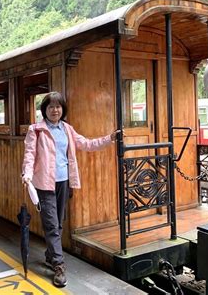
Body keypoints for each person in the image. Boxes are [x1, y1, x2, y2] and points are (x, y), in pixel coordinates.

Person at [21, 92, 120, 288]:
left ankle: (50, 255)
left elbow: (87, 144)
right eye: (51, 107)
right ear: (45, 110)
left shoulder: (67, 129)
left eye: (58, 107)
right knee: (51, 224)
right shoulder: (36, 130)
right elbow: (30, 154)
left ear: (62, 109)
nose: (55, 110)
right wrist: (27, 174)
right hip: (44, 184)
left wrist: (109, 138)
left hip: (63, 182)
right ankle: (58, 266)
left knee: (58, 223)